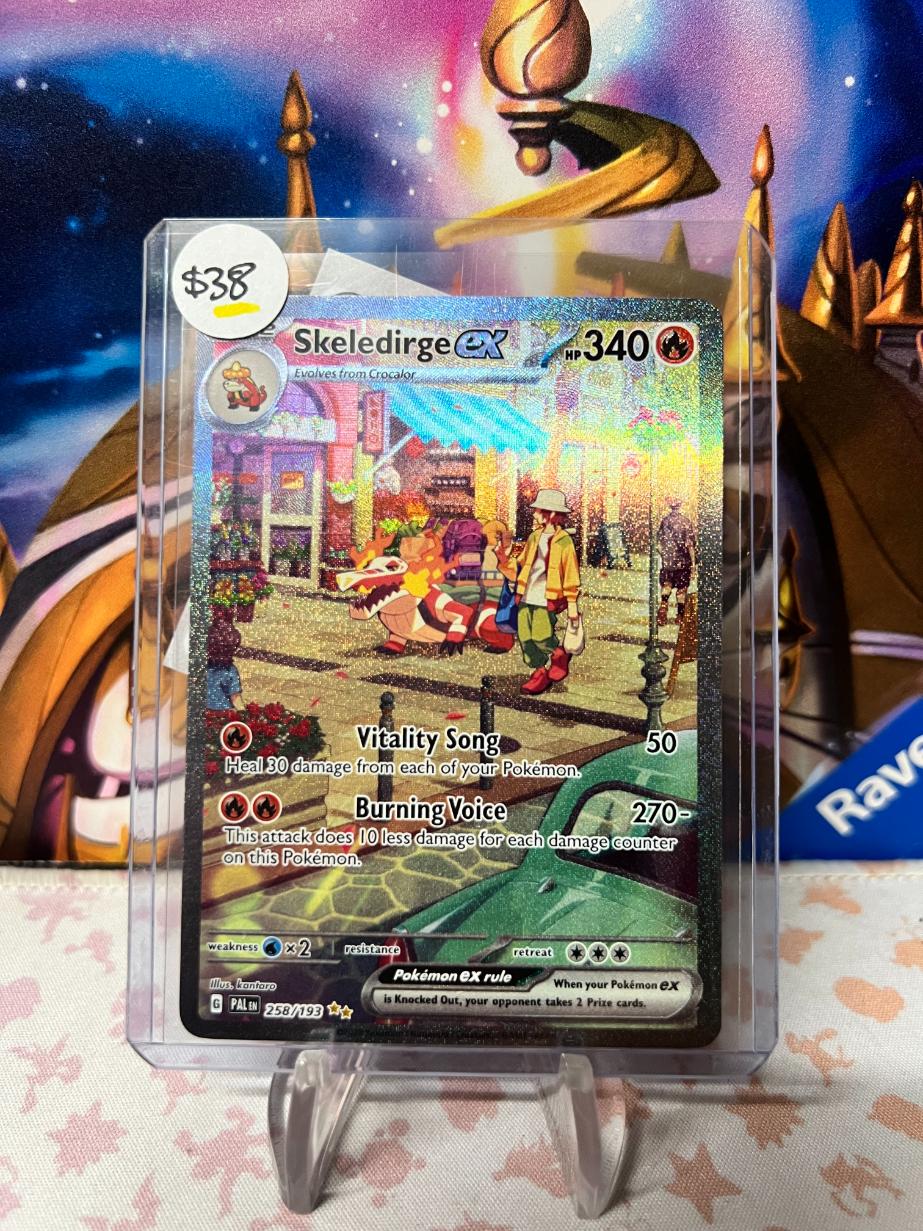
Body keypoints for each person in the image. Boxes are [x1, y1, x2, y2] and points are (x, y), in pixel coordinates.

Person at [502, 489, 582, 695]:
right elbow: (521, 563)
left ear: (550, 514)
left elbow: (571, 574)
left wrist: (572, 605)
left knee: (541, 635)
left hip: (547, 597)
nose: (535, 513)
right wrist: (504, 558)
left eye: (538, 510)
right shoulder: (534, 536)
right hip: (526, 593)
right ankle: (539, 672)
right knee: (525, 637)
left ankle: (558, 654)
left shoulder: (564, 541)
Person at [656, 497, 697, 625]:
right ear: (680, 506)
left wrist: (665, 555)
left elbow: (658, 544)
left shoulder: (664, 521)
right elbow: (690, 545)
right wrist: (693, 564)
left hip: (668, 562)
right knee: (681, 591)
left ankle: (663, 608)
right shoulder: (686, 522)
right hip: (683, 562)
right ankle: (679, 616)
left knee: (667, 585)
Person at [206, 611, 244, 710]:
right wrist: (243, 713)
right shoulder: (230, 670)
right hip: (223, 712)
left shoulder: (203, 667)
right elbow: (235, 697)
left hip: (203, 709)